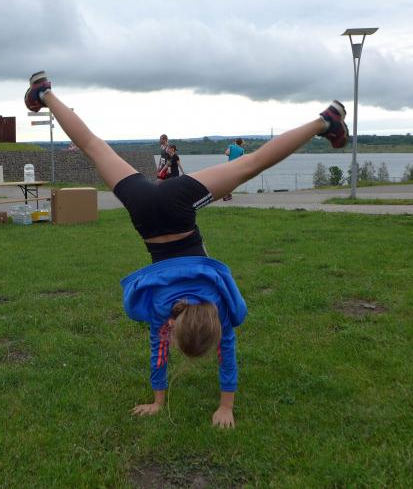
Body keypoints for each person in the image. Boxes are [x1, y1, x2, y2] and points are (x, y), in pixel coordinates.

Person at [24, 71, 349, 428]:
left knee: (250, 164)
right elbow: (159, 352)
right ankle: (45, 94)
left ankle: (325, 121)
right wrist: (163, 401)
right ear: (175, 326)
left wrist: (221, 406)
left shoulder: (220, 308)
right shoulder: (160, 311)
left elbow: (226, 351)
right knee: (93, 146)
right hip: (146, 210)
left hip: (179, 206)